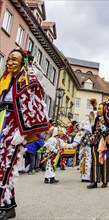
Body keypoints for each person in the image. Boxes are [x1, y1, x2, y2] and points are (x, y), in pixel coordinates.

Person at [0, 47, 49, 219]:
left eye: (14, 59)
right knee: (3, 167)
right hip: (2, 123)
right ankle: (8, 205)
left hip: (15, 127)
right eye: (8, 59)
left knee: (6, 166)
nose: (9, 62)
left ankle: (4, 207)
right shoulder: (5, 80)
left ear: (23, 62)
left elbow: (35, 108)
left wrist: (23, 132)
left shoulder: (29, 80)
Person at [87, 101, 109, 189]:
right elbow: (93, 129)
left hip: (105, 143)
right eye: (98, 108)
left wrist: (106, 129)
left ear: (104, 109)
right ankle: (94, 181)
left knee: (105, 161)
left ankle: (105, 181)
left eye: (100, 108)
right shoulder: (96, 119)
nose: (98, 110)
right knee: (95, 161)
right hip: (95, 142)